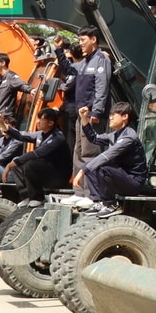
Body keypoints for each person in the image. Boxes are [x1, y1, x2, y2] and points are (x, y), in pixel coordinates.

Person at [59, 26, 112, 193]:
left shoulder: (101, 59)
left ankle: (91, 193)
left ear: (93, 39)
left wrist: (96, 111)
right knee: (79, 152)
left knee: (91, 153)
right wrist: (59, 50)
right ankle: (80, 192)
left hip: (91, 116)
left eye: (83, 40)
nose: (80, 43)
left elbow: (102, 87)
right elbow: (68, 69)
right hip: (80, 114)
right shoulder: (85, 61)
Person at [73, 103, 148, 213]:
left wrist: (82, 171)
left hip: (133, 182)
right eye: (110, 115)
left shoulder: (129, 136)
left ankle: (111, 204)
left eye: (114, 115)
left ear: (125, 117)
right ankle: (98, 202)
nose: (110, 118)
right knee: (93, 166)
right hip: (120, 177)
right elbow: (93, 138)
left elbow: (107, 155)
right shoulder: (114, 135)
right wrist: (84, 117)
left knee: (102, 166)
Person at [0, 107, 71, 204]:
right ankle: (26, 196)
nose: (38, 122)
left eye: (41, 120)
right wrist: (2, 124)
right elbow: (21, 136)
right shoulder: (40, 134)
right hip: (44, 171)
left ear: (50, 123)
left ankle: (37, 198)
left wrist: (10, 164)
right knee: (18, 164)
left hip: (57, 176)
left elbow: (38, 153)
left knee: (29, 164)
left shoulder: (57, 137)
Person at [0, 54, 33, 134]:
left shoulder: (11, 77)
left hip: (4, 119)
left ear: (3, 63)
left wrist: (31, 90)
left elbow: (21, 85)